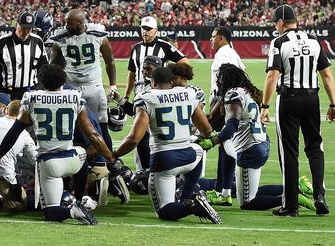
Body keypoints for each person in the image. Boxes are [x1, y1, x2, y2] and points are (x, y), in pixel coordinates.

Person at [0, 64, 119, 225]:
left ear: (40, 81)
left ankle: (72, 211)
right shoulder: (74, 96)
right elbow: (93, 135)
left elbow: (15, 131)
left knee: (51, 212)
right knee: (82, 153)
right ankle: (79, 197)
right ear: (63, 79)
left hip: (48, 164)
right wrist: (111, 159)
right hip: (71, 159)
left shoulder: (32, 98)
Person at [196, 64, 315, 212]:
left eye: (220, 78)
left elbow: (232, 125)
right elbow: (218, 121)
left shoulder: (233, 94)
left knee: (247, 203)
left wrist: (213, 141)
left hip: (249, 149)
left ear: (226, 79)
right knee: (250, 190)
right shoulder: (250, 92)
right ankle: (295, 188)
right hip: (261, 144)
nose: (217, 82)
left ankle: (292, 199)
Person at [113, 67, 222, 224]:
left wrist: (116, 154)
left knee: (164, 211)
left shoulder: (147, 97)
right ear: (171, 81)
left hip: (164, 160)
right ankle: (188, 195)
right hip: (189, 157)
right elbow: (206, 129)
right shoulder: (188, 93)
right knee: (198, 149)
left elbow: (134, 139)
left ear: (153, 82)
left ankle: (192, 206)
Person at [261, 4, 335, 216]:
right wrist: (333, 104)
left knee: (289, 152)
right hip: (312, 98)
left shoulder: (279, 41)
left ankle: (291, 205)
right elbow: (327, 75)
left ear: (281, 23)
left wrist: (265, 106)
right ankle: (319, 195)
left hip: (289, 99)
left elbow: (272, 76)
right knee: (315, 147)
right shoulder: (313, 40)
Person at [125, 16, 187, 170]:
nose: (145, 32)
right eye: (143, 29)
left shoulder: (165, 46)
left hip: (159, 92)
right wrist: (126, 95)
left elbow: (184, 62)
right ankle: (142, 170)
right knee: (140, 132)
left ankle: (159, 167)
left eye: (149, 29)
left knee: (158, 130)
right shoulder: (136, 48)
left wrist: (170, 80)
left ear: (156, 31)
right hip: (140, 92)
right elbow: (132, 73)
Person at [50, 8, 117, 151]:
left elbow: (110, 61)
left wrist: (113, 86)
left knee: (101, 126)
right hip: (70, 87)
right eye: (66, 23)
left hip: (94, 85)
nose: (66, 26)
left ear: (81, 23)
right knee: (73, 128)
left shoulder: (97, 33)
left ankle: (110, 162)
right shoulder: (60, 37)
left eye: (70, 24)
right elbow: (54, 65)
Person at [207, 26, 244, 206]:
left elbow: (230, 81)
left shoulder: (224, 54)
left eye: (213, 37)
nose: (210, 40)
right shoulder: (229, 52)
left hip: (224, 105)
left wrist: (219, 105)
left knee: (225, 145)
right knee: (224, 146)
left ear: (221, 38)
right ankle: (222, 190)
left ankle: (224, 190)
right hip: (226, 103)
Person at [0, 12, 48, 101]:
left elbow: (44, 68)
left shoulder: (37, 41)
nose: (26, 32)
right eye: (23, 28)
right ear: (16, 24)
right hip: (7, 93)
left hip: (30, 92)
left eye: (29, 28)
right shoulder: (2, 42)